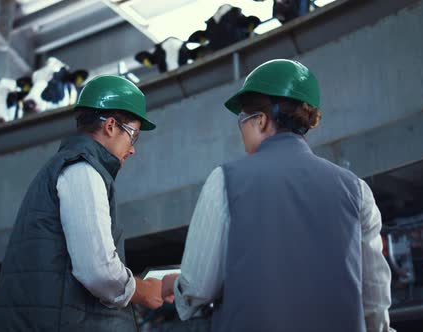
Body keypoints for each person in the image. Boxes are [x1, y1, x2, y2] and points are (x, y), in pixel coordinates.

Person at [161, 59, 394, 332]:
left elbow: (198, 288)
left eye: (242, 121)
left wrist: (174, 287)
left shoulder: (225, 181)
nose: (241, 131)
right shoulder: (356, 190)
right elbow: (375, 298)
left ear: (260, 120)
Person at [0, 75, 164, 331]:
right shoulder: (83, 170)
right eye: (133, 136)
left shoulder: (67, 167)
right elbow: (98, 272)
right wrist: (144, 290)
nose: (133, 149)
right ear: (111, 126)